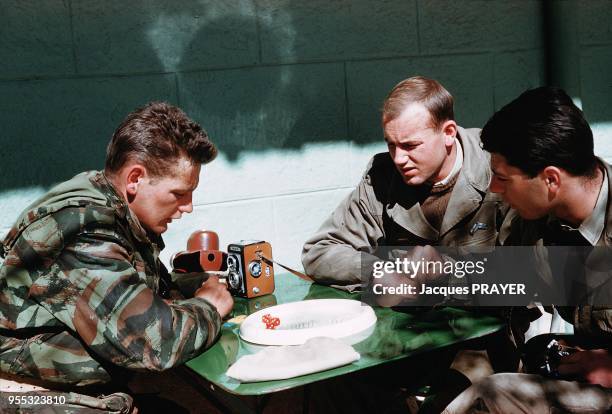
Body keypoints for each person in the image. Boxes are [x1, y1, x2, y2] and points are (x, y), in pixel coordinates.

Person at [0, 102, 233, 412]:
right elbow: (155, 343)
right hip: (35, 397)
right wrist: (210, 307)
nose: (188, 206)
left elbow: (143, 292)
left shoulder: (113, 210)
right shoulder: (82, 232)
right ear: (135, 178)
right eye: (178, 193)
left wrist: (193, 285)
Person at [444, 87, 612, 413]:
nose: (493, 188)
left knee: (495, 393)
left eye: (503, 178)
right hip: (580, 368)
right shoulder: (537, 219)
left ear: (550, 180)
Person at [302, 76, 506, 288]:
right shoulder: (383, 176)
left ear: (448, 133)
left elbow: (528, 270)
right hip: (409, 319)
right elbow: (319, 252)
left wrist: (446, 274)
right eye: (392, 145)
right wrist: (380, 271)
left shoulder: (498, 166)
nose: (398, 158)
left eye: (410, 145)